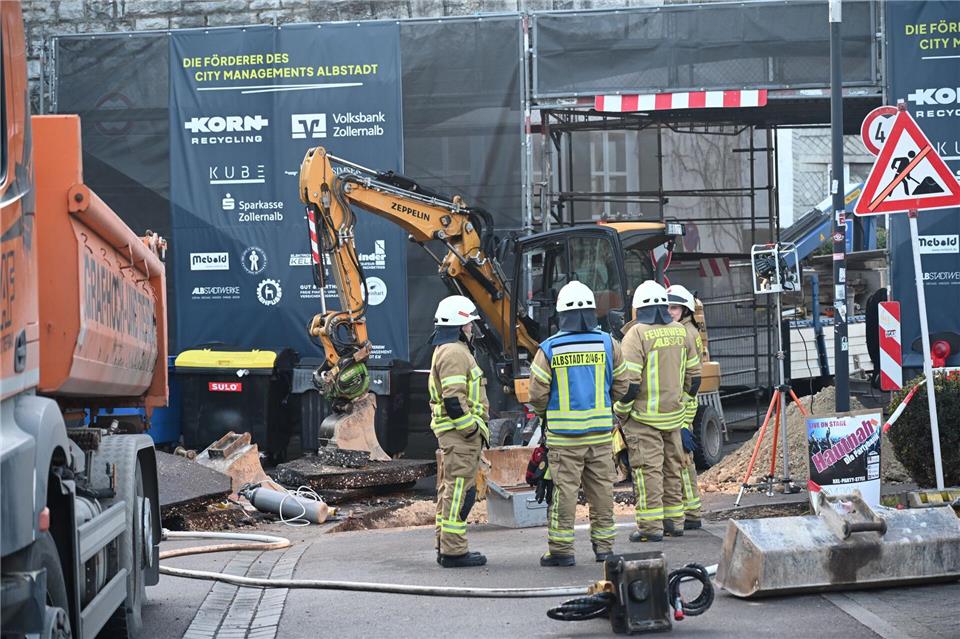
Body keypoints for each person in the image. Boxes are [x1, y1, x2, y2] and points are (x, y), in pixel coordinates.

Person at [528, 281, 636, 566]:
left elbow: (536, 395)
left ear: (561, 313)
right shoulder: (608, 344)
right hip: (600, 435)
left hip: (564, 439)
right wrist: (603, 403)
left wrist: (547, 416)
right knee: (602, 492)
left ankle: (562, 551)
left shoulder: (549, 349)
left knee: (564, 494)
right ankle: (604, 549)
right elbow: (623, 385)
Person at [617, 281, 702, 542]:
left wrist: (620, 411)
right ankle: (674, 522)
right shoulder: (681, 332)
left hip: (643, 418)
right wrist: (682, 404)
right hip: (674, 417)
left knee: (648, 473)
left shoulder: (637, 334)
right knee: (672, 469)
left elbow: (630, 384)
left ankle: (651, 528)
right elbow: (695, 378)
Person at [428, 295, 490, 568]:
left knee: (450, 490)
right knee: (459, 493)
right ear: (458, 326)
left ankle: (446, 545)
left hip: (455, 435)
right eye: (468, 324)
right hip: (460, 435)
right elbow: (454, 401)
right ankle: (454, 551)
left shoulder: (450, 350)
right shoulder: (453, 352)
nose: (472, 329)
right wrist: (471, 430)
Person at [666, 284, 705, 531]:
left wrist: (683, 420)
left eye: (675, 307)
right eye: (668, 307)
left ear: (686, 309)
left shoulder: (685, 334)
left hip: (682, 408)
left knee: (683, 461)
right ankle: (690, 510)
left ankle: (691, 513)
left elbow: (691, 380)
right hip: (683, 406)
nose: (670, 312)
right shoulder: (687, 330)